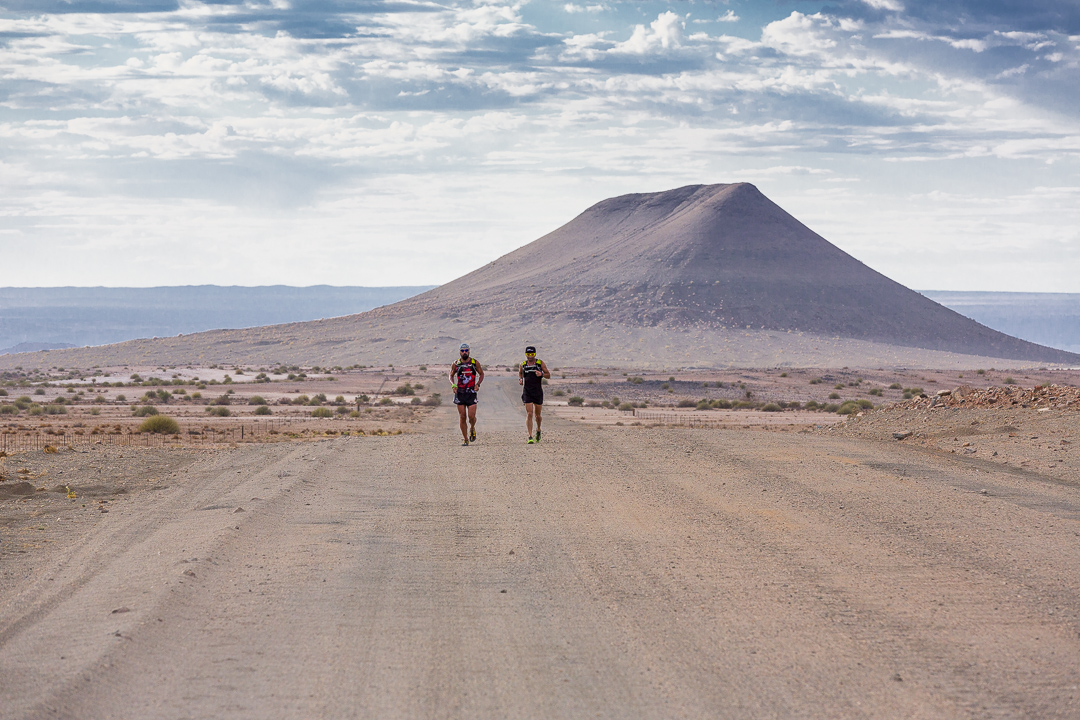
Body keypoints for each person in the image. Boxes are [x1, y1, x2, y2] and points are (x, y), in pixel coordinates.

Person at [449, 343, 483, 445]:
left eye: (466, 350)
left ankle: (472, 428)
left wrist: (478, 384)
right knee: (462, 416)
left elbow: (481, 374)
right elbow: (450, 375)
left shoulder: (474, 363)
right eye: (462, 351)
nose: (464, 352)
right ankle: (465, 439)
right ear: (459, 352)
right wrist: (453, 385)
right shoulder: (456, 364)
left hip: (471, 393)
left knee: (471, 417)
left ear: (469, 351)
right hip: (460, 393)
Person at [518, 345, 550, 444]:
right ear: (525, 354)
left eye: (532, 354)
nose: (530, 356)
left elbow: (548, 375)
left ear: (535, 354)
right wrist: (520, 379)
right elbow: (520, 373)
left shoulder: (540, 363)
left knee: (537, 415)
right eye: (528, 354)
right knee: (529, 413)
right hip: (527, 391)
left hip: (538, 392)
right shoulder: (523, 364)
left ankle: (538, 430)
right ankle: (530, 436)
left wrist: (541, 374)